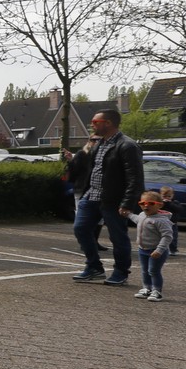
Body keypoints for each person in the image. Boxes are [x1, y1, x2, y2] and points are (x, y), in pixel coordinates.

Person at [63, 108, 145, 285]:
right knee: (81, 228)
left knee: (118, 236)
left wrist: (127, 203)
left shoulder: (127, 146)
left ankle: (121, 272)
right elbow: (91, 169)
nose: (92, 125)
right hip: (91, 195)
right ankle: (94, 267)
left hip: (113, 199)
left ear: (108, 123)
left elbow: (135, 177)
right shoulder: (99, 144)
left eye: (95, 122)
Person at [130, 190, 174, 301]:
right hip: (143, 249)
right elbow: (137, 219)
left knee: (153, 271)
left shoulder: (161, 220)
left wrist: (159, 250)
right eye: (142, 203)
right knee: (145, 270)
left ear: (160, 205)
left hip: (156, 250)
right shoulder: (142, 215)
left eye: (151, 203)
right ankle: (147, 288)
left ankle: (157, 291)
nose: (146, 206)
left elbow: (167, 236)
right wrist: (128, 214)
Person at [159, 185, 181, 255]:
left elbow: (179, 209)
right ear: (160, 195)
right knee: (161, 236)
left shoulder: (175, 202)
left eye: (169, 196)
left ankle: (173, 249)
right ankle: (161, 248)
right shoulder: (160, 203)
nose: (167, 198)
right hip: (162, 223)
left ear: (172, 195)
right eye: (164, 196)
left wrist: (169, 203)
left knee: (173, 237)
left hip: (172, 223)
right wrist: (163, 204)